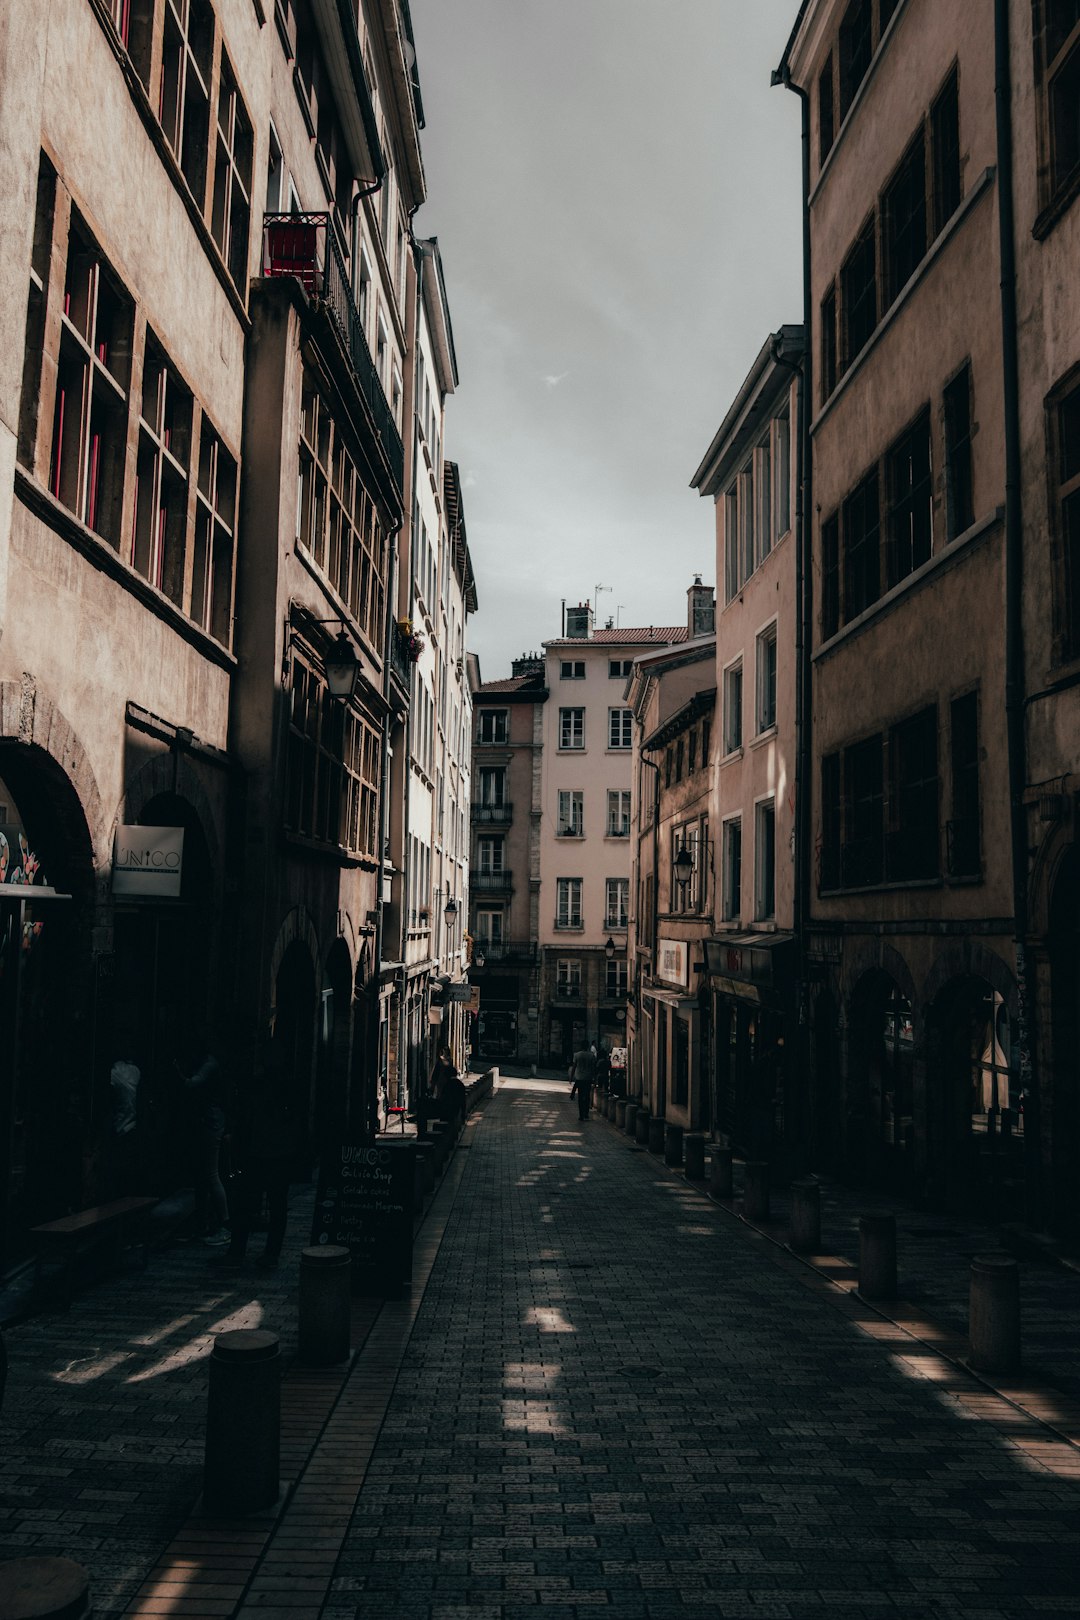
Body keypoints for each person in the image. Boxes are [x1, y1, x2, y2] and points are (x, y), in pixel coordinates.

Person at [215, 1035, 293, 1270]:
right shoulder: (266, 1083)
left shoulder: (275, 1085)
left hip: (270, 1152)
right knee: (258, 1203)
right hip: (265, 1151)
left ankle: (252, 1252)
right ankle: (258, 1252)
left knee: (260, 1203)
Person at [176, 1036, 230, 1246]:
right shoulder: (208, 1063)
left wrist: (177, 1073)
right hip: (207, 1122)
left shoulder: (209, 1064)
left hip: (211, 1122)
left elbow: (191, 1084)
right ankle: (203, 1222)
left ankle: (225, 1222)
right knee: (204, 1175)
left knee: (210, 1173)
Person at [432, 1046, 466, 1131]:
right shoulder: (460, 1085)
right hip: (442, 1082)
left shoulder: (449, 1060)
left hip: (445, 1084)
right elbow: (463, 1100)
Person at [569, 1043, 596, 1121]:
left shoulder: (577, 1055)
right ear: (587, 1047)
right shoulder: (591, 1056)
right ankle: (586, 1114)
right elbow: (593, 1068)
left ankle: (581, 1115)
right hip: (588, 1078)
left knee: (580, 1097)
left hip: (579, 1078)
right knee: (587, 1096)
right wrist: (594, 1078)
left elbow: (574, 1067)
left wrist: (571, 1077)